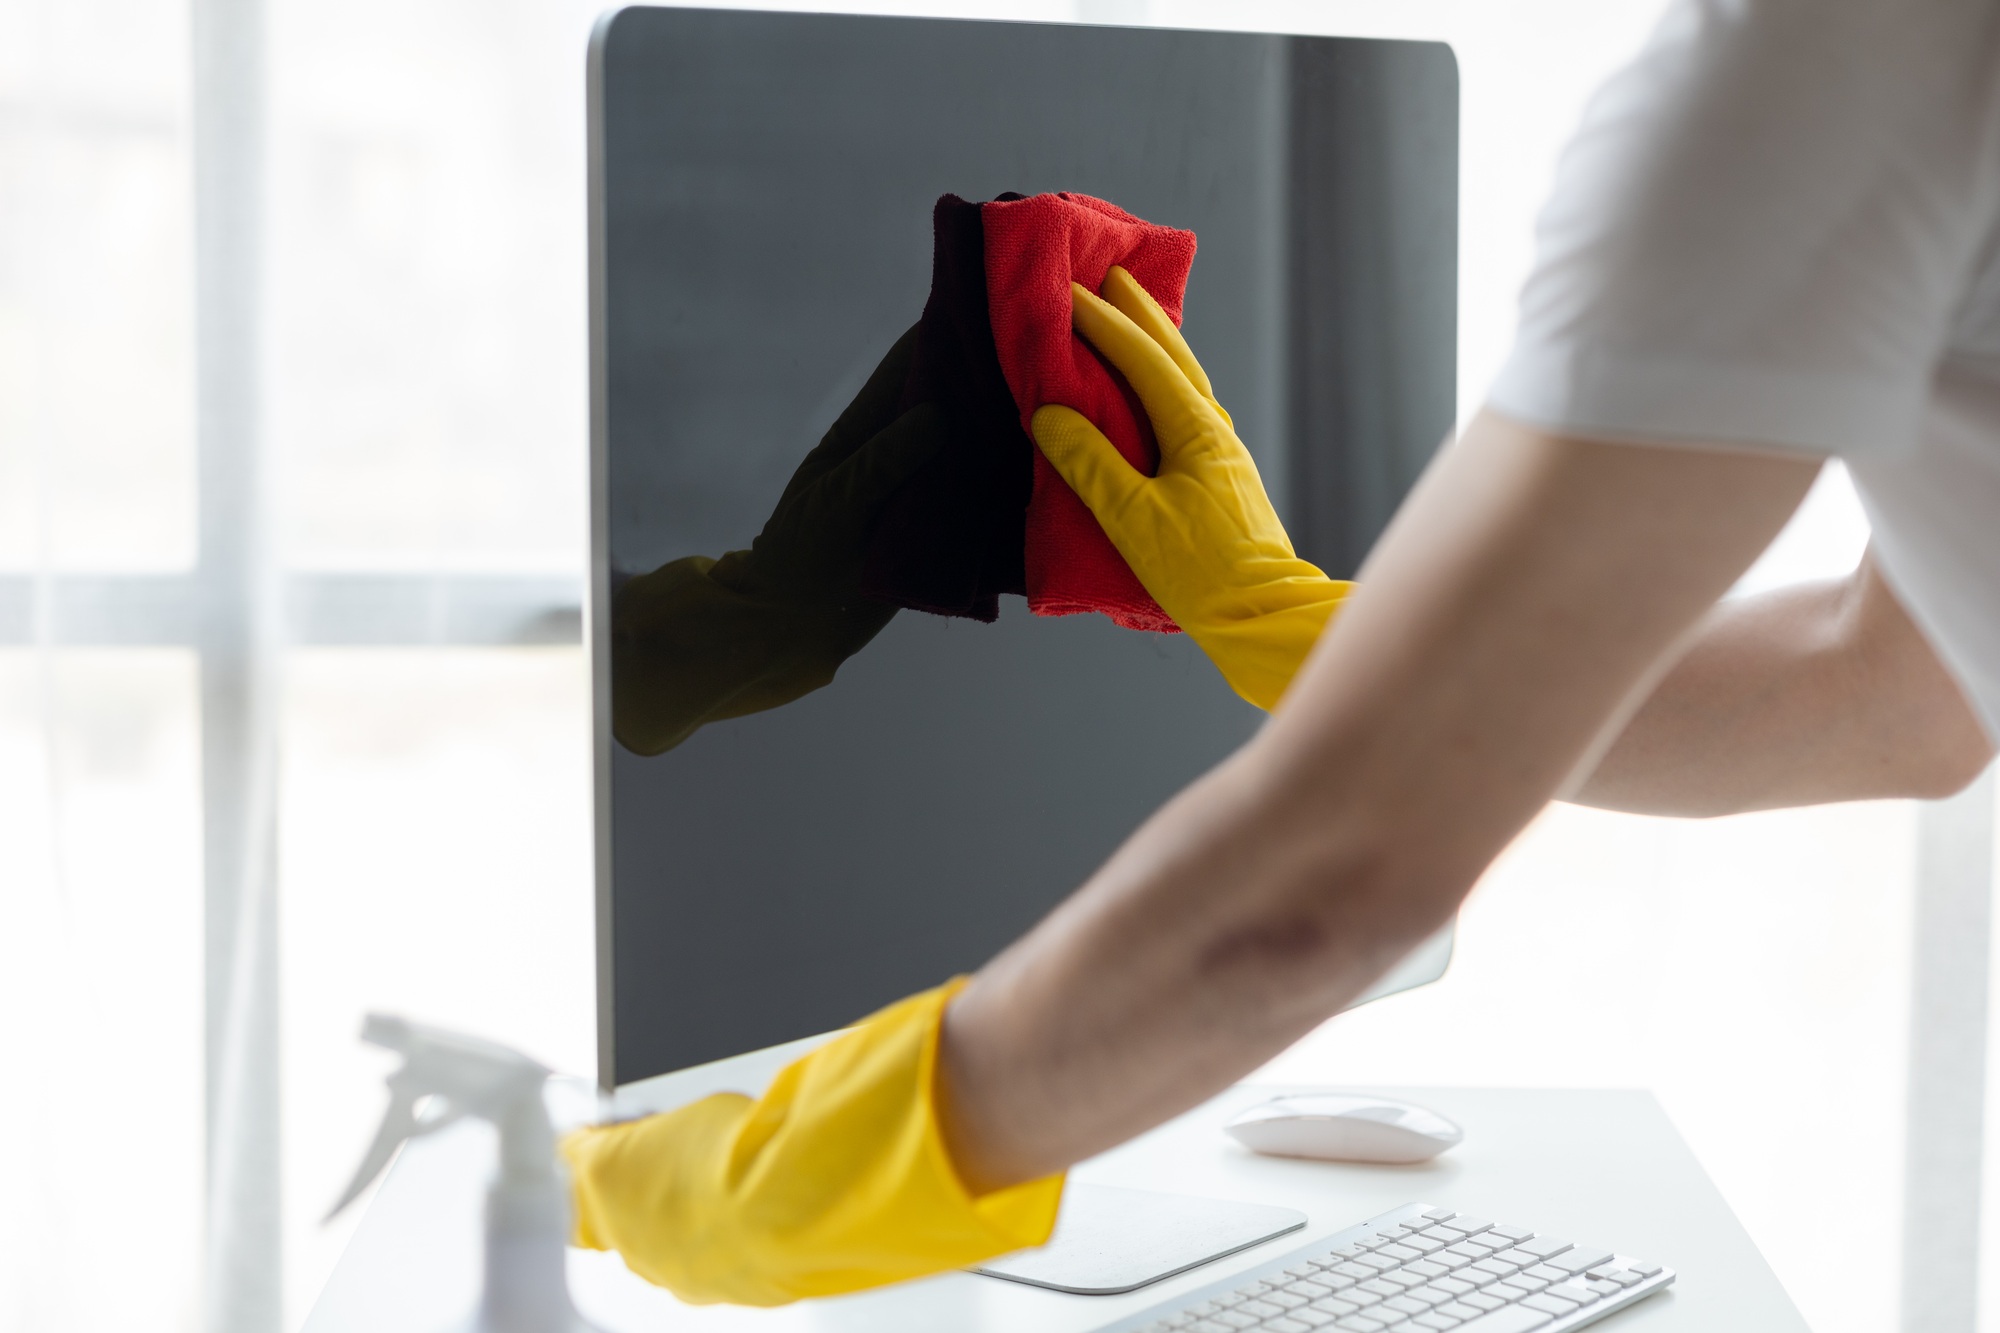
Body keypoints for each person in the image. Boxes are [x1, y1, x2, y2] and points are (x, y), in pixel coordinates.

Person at [562, 0, 2000, 1303]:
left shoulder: (1840, 61)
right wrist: (1297, 617)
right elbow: (1898, 690)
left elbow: (1326, 894)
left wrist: (760, 1187)